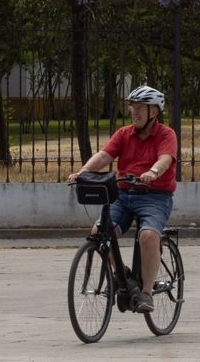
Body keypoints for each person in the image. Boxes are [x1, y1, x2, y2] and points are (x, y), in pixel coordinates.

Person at [67, 84, 177, 314]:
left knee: (148, 236)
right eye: (132, 107)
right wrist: (82, 172)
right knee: (99, 232)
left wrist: (153, 172)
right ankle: (121, 275)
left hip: (155, 196)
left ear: (154, 111)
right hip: (124, 195)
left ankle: (146, 293)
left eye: (140, 108)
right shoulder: (124, 133)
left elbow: (165, 159)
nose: (134, 112)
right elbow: (104, 156)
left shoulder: (166, 134)